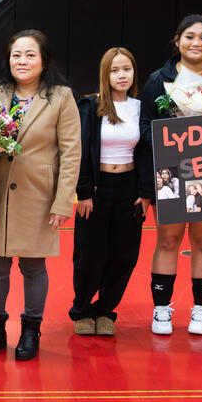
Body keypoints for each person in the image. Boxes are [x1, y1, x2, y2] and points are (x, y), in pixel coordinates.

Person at [0, 29, 81, 360]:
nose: (22, 60)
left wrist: (63, 201)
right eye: (16, 54)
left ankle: (31, 331)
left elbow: (71, 152)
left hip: (39, 195)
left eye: (30, 54)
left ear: (44, 59)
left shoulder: (61, 96)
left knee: (34, 266)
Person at [139, 14, 202, 335]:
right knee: (167, 240)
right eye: (189, 37)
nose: (196, 43)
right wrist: (173, 138)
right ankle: (161, 310)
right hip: (171, 172)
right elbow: (144, 126)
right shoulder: (159, 79)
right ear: (177, 40)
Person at [69, 47, 148, 336]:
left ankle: (105, 311)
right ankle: (81, 310)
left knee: (124, 255)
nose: (121, 75)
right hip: (97, 188)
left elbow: (146, 152)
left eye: (126, 69)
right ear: (105, 74)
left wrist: (145, 192)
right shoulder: (91, 106)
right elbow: (79, 150)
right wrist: (83, 192)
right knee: (89, 256)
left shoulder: (140, 108)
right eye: (114, 70)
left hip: (129, 189)